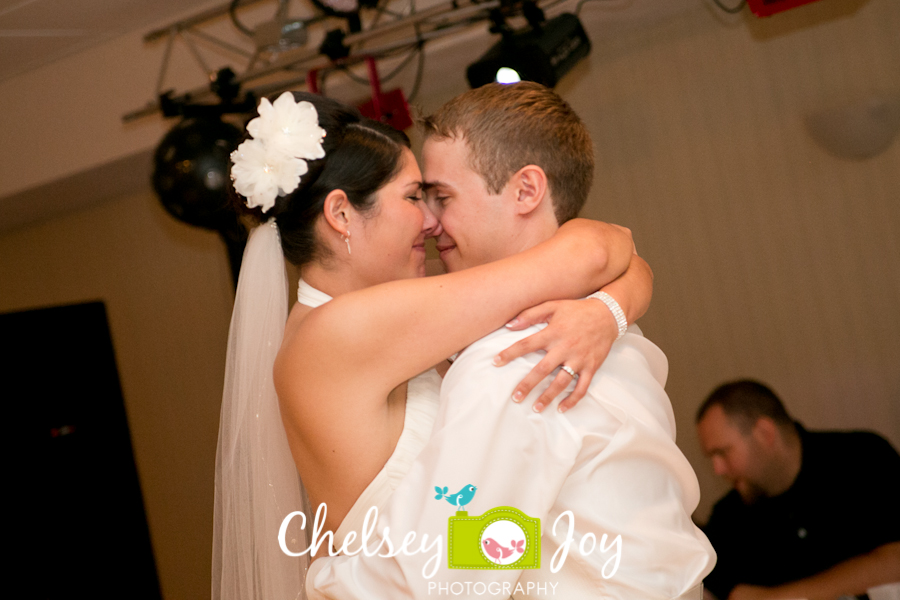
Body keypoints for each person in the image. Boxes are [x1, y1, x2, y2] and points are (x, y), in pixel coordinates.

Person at [213, 90, 650, 600]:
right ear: (341, 215)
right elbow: (598, 250)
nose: (430, 221)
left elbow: (465, 534)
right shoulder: (338, 331)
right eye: (413, 196)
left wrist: (612, 308)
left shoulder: (385, 321)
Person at [304, 83, 715, 599]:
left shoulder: (514, 357)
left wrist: (325, 577)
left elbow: (445, 576)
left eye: (441, 197)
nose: (429, 222)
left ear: (525, 190)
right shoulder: (602, 319)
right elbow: (523, 532)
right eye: (420, 198)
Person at [696, 379, 900, 600]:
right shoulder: (728, 516)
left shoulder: (863, 458)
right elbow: (713, 589)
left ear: (765, 433)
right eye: (712, 458)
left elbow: (894, 560)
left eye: (723, 452)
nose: (717, 469)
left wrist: (777, 597)